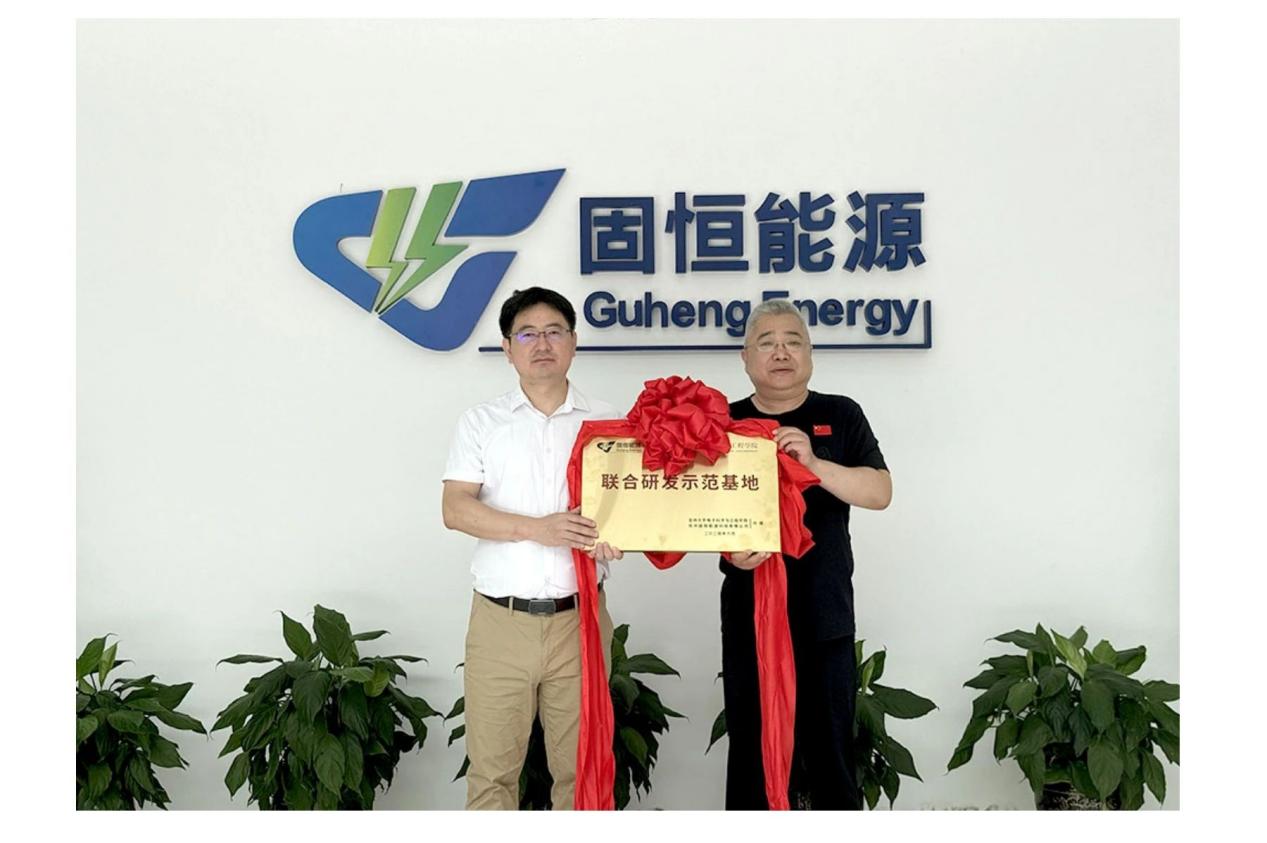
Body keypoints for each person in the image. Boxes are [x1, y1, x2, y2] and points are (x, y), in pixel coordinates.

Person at [441, 286, 622, 810]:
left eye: (553, 332)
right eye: (527, 334)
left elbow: (625, 507)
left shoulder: (608, 421)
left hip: (580, 622)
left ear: (573, 341)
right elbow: (456, 509)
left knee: (581, 774)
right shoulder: (481, 422)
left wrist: (621, 536)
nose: (542, 344)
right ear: (507, 348)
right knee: (492, 776)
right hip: (501, 623)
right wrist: (537, 529)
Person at [720, 298, 893, 810]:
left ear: (810, 354)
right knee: (752, 753)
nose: (781, 353)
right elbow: (692, 506)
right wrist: (731, 551)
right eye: (767, 343)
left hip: (824, 611)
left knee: (831, 755)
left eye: (793, 342)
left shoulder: (840, 413)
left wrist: (814, 464)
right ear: (745, 358)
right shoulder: (723, 421)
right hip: (750, 612)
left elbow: (879, 492)